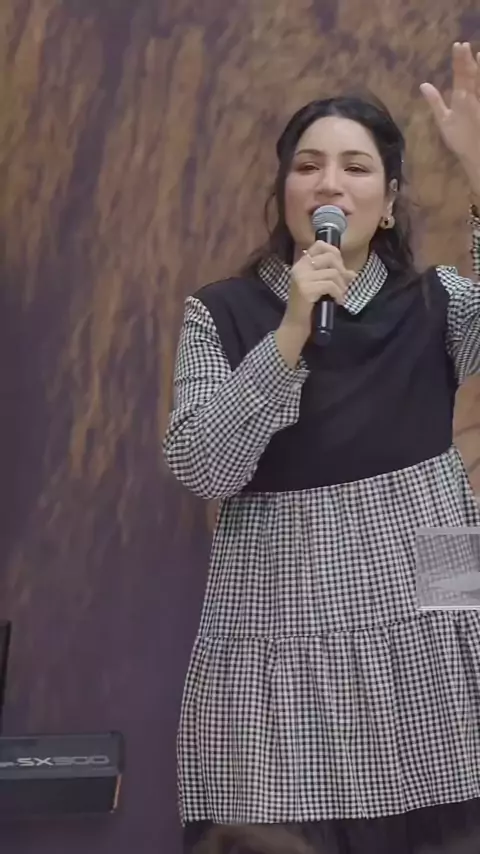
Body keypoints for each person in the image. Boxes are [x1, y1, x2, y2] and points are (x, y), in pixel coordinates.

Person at [164, 42, 480, 854]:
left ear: (390, 200)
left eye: (356, 167)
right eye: (307, 167)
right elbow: (201, 464)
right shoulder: (221, 312)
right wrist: (290, 333)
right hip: (282, 621)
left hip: (431, 617)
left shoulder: (436, 301)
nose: (329, 184)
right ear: (284, 194)